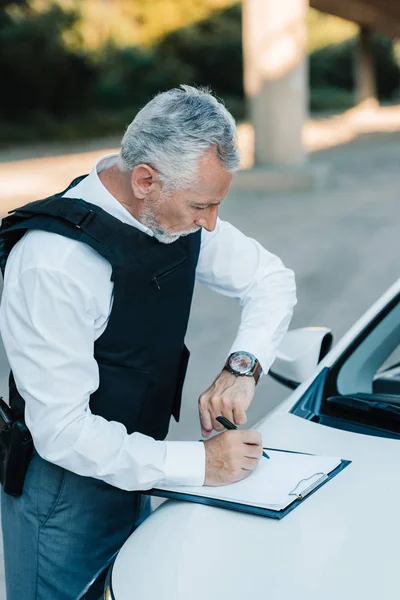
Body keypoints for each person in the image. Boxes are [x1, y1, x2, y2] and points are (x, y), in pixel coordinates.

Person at [0, 85, 296, 599]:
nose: (210, 223)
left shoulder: (171, 214)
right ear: (144, 180)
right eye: (201, 205)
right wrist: (202, 465)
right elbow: (62, 432)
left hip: (141, 467)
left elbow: (271, 280)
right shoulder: (53, 263)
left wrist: (242, 367)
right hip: (63, 496)